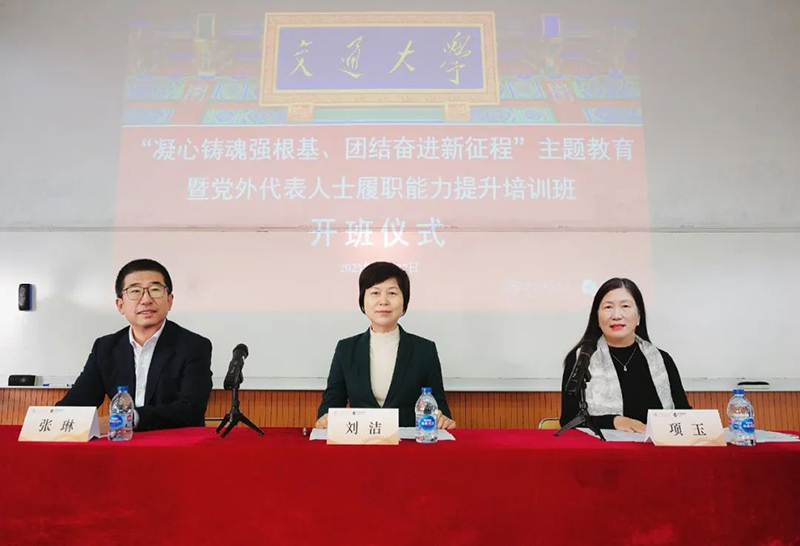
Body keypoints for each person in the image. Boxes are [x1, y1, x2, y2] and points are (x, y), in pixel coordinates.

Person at [57, 259, 213, 431]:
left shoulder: (194, 346)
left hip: (173, 443)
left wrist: (128, 419)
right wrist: (52, 419)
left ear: (169, 300)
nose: (146, 299)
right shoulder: (106, 348)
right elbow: (77, 402)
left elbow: (190, 410)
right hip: (122, 443)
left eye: (155, 290)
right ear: (120, 305)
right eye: (135, 291)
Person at [315, 261, 455, 429]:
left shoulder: (424, 350)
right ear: (363, 300)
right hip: (360, 440)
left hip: (409, 441)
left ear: (404, 301)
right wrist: (325, 419)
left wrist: (442, 419)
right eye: (375, 293)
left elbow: (438, 406)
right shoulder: (346, 349)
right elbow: (331, 404)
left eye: (392, 293)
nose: (383, 301)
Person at [560, 277, 690, 433]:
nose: (616, 315)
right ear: (597, 317)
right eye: (608, 307)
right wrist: (614, 421)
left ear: (639, 316)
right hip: (603, 447)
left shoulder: (662, 360)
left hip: (656, 447)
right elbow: (569, 420)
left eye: (625, 306)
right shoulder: (581, 359)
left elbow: (684, 414)